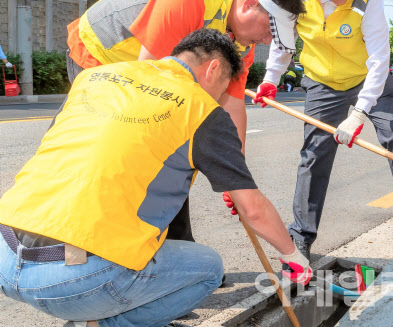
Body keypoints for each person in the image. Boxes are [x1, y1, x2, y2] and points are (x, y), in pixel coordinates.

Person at [0, 30, 311, 327]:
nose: (219, 98)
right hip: (71, 280)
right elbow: (252, 208)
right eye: (223, 88)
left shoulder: (94, 76)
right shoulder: (200, 108)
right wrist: (293, 256)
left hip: (5, 252)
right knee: (208, 269)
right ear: (213, 69)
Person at [67, 0, 305, 244]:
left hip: (146, 70)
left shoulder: (239, 44)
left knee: (173, 149)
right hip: (100, 58)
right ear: (248, 6)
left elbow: (233, 106)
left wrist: (235, 178)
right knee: (133, 150)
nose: (266, 41)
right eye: (269, 30)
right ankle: (103, 241)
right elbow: (148, 81)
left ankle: (176, 246)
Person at [253, 0, 393, 261]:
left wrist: (358, 114)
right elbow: (284, 43)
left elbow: (378, 60)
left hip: (369, 79)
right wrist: (271, 79)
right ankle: (301, 236)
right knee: (314, 154)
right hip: (322, 82)